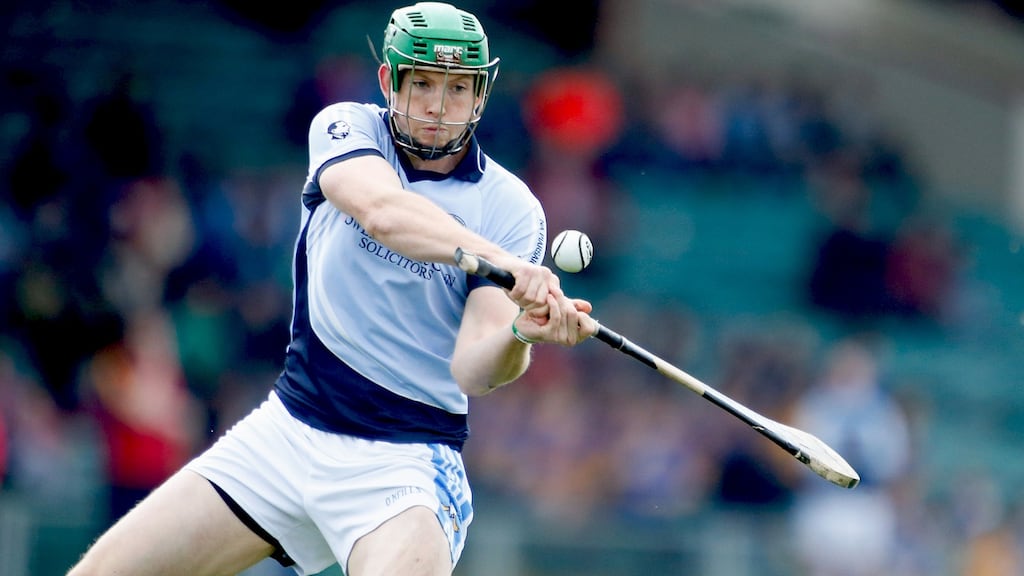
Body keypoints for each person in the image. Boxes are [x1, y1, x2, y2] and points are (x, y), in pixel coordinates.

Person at [67, 3, 597, 575]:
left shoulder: (511, 208)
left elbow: (475, 370)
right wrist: (502, 263)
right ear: (388, 81)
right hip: (291, 428)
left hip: (405, 462)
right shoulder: (347, 128)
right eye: (421, 83)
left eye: (457, 89)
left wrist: (520, 331)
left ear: (481, 96)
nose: (438, 108)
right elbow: (383, 213)